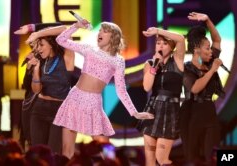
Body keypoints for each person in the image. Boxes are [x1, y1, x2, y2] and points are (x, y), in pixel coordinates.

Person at [26, 20, 154, 159]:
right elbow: (61, 40)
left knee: (104, 146)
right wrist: (76, 26)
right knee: (66, 151)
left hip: (93, 102)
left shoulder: (118, 61)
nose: (99, 33)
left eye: (104, 31)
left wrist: (134, 113)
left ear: (113, 37)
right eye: (99, 30)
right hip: (74, 98)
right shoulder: (89, 49)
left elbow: (121, 90)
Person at [14, 23, 74, 154]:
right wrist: (35, 71)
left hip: (59, 110)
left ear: (51, 44)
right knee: (37, 154)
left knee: (52, 154)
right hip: (40, 109)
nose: (38, 49)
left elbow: (66, 30)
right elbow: (36, 90)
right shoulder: (42, 62)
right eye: (37, 45)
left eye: (41, 45)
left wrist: (36, 32)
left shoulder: (66, 58)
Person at [180, 12, 225, 165]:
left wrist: (207, 20)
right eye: (207, 48)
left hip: (209, 112)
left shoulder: (210, 60)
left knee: (212, 157)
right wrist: (212, 70)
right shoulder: (187, 69)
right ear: (197, 49)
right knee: (192, 158)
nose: (211, 51)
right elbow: (194, 88)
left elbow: (217, 39)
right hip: (192, 114)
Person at [136, 26, 185, 166]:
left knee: (161, 158)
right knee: (150, 160)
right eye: (158, 43)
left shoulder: (177, 59)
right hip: (152, 110)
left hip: (170, 112)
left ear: (172, 47)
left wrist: (158, 31)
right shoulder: (150, 64)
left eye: (165, 43)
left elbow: (181, 39)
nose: (161, 46)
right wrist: (154, 68)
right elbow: (146, 87)